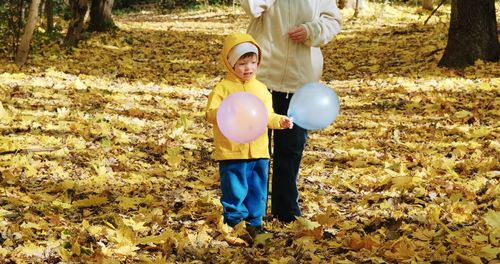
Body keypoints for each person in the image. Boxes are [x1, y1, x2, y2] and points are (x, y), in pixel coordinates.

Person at [240, 0, 343, 223]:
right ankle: (252, 212)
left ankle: (285, 210)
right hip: (261, 78)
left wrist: (310, 30)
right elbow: (252, 6)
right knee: (256, 150)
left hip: (299, 82)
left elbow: (333, 20)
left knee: (291, 149)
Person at [205, 32, 294, 237]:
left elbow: (266, 115)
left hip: (259, 151)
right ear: (230, 63)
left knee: (257, 188)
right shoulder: (223, 88)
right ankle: (234, 222)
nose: (248, 68)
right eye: (242, 63)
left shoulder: (261, 89)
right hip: (232, 150)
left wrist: (279, 121)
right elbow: (210, 114)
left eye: (253, 62)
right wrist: (227, 111)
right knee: (235, 189)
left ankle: (255, 223)